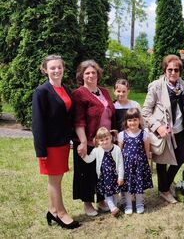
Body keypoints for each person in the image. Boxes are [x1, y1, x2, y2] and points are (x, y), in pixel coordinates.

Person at [32, 55, 80, 229]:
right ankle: (61, 214)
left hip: (63, 142)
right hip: (50, 145)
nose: (56, 70)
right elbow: (37, 123)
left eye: (59, 67)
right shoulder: (42, 91)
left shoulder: (65, 89)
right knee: (55, 180)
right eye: (52, 68)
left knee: (57, 178)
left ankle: (52, 210)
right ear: (45, 70)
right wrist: (41, 151)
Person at [142, 54, 184, 204]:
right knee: (162, 161)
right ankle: (164, 190)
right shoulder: (156, 86)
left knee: (181, 158)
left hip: (180, 129)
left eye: (176, 70)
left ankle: (165, 185)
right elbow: (145, 112)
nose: (173, 73)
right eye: (170, 69)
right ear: (165, 70)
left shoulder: (181, 85)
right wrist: (158, 127)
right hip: (163, 130)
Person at [72, 60, 116, 216]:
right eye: (87, 73)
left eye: (93, 72)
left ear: (98, 74)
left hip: (105, 141)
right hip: (88, 140)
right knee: (88, 173)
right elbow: (78, 120)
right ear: (82, 76)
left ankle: (102, 200)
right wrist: (83, 142)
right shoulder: (79, 94)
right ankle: (87, 203)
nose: (91, 75)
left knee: (104, 172)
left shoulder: (104, 91)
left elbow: (111, 112)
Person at [82, 127, 124, 217]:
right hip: (104, 177)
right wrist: (83, 156)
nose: (104, 142)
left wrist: (120, 177)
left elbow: (120, 164)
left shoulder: (116, 149)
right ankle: (112, 207)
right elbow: (89, 159)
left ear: (111, 138)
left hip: (114, 175)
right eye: (101, 140)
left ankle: (115, 205)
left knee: (115, 192)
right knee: (107, 192)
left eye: (106, 139)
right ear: (97, 141)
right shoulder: (97, 150)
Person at [118, 108, 153, 214]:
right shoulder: (122, 134)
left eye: (135, 120)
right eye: (130, 120)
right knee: (127, 185)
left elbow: (147, 150)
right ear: (126, 122)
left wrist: (147, 162)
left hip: (139, 165)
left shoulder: (144, 134)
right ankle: (128, 204)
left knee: (139, 184)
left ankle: (139, 203)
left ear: (139, 120)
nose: (132, 122)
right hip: (127, 165)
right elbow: (119, 151)